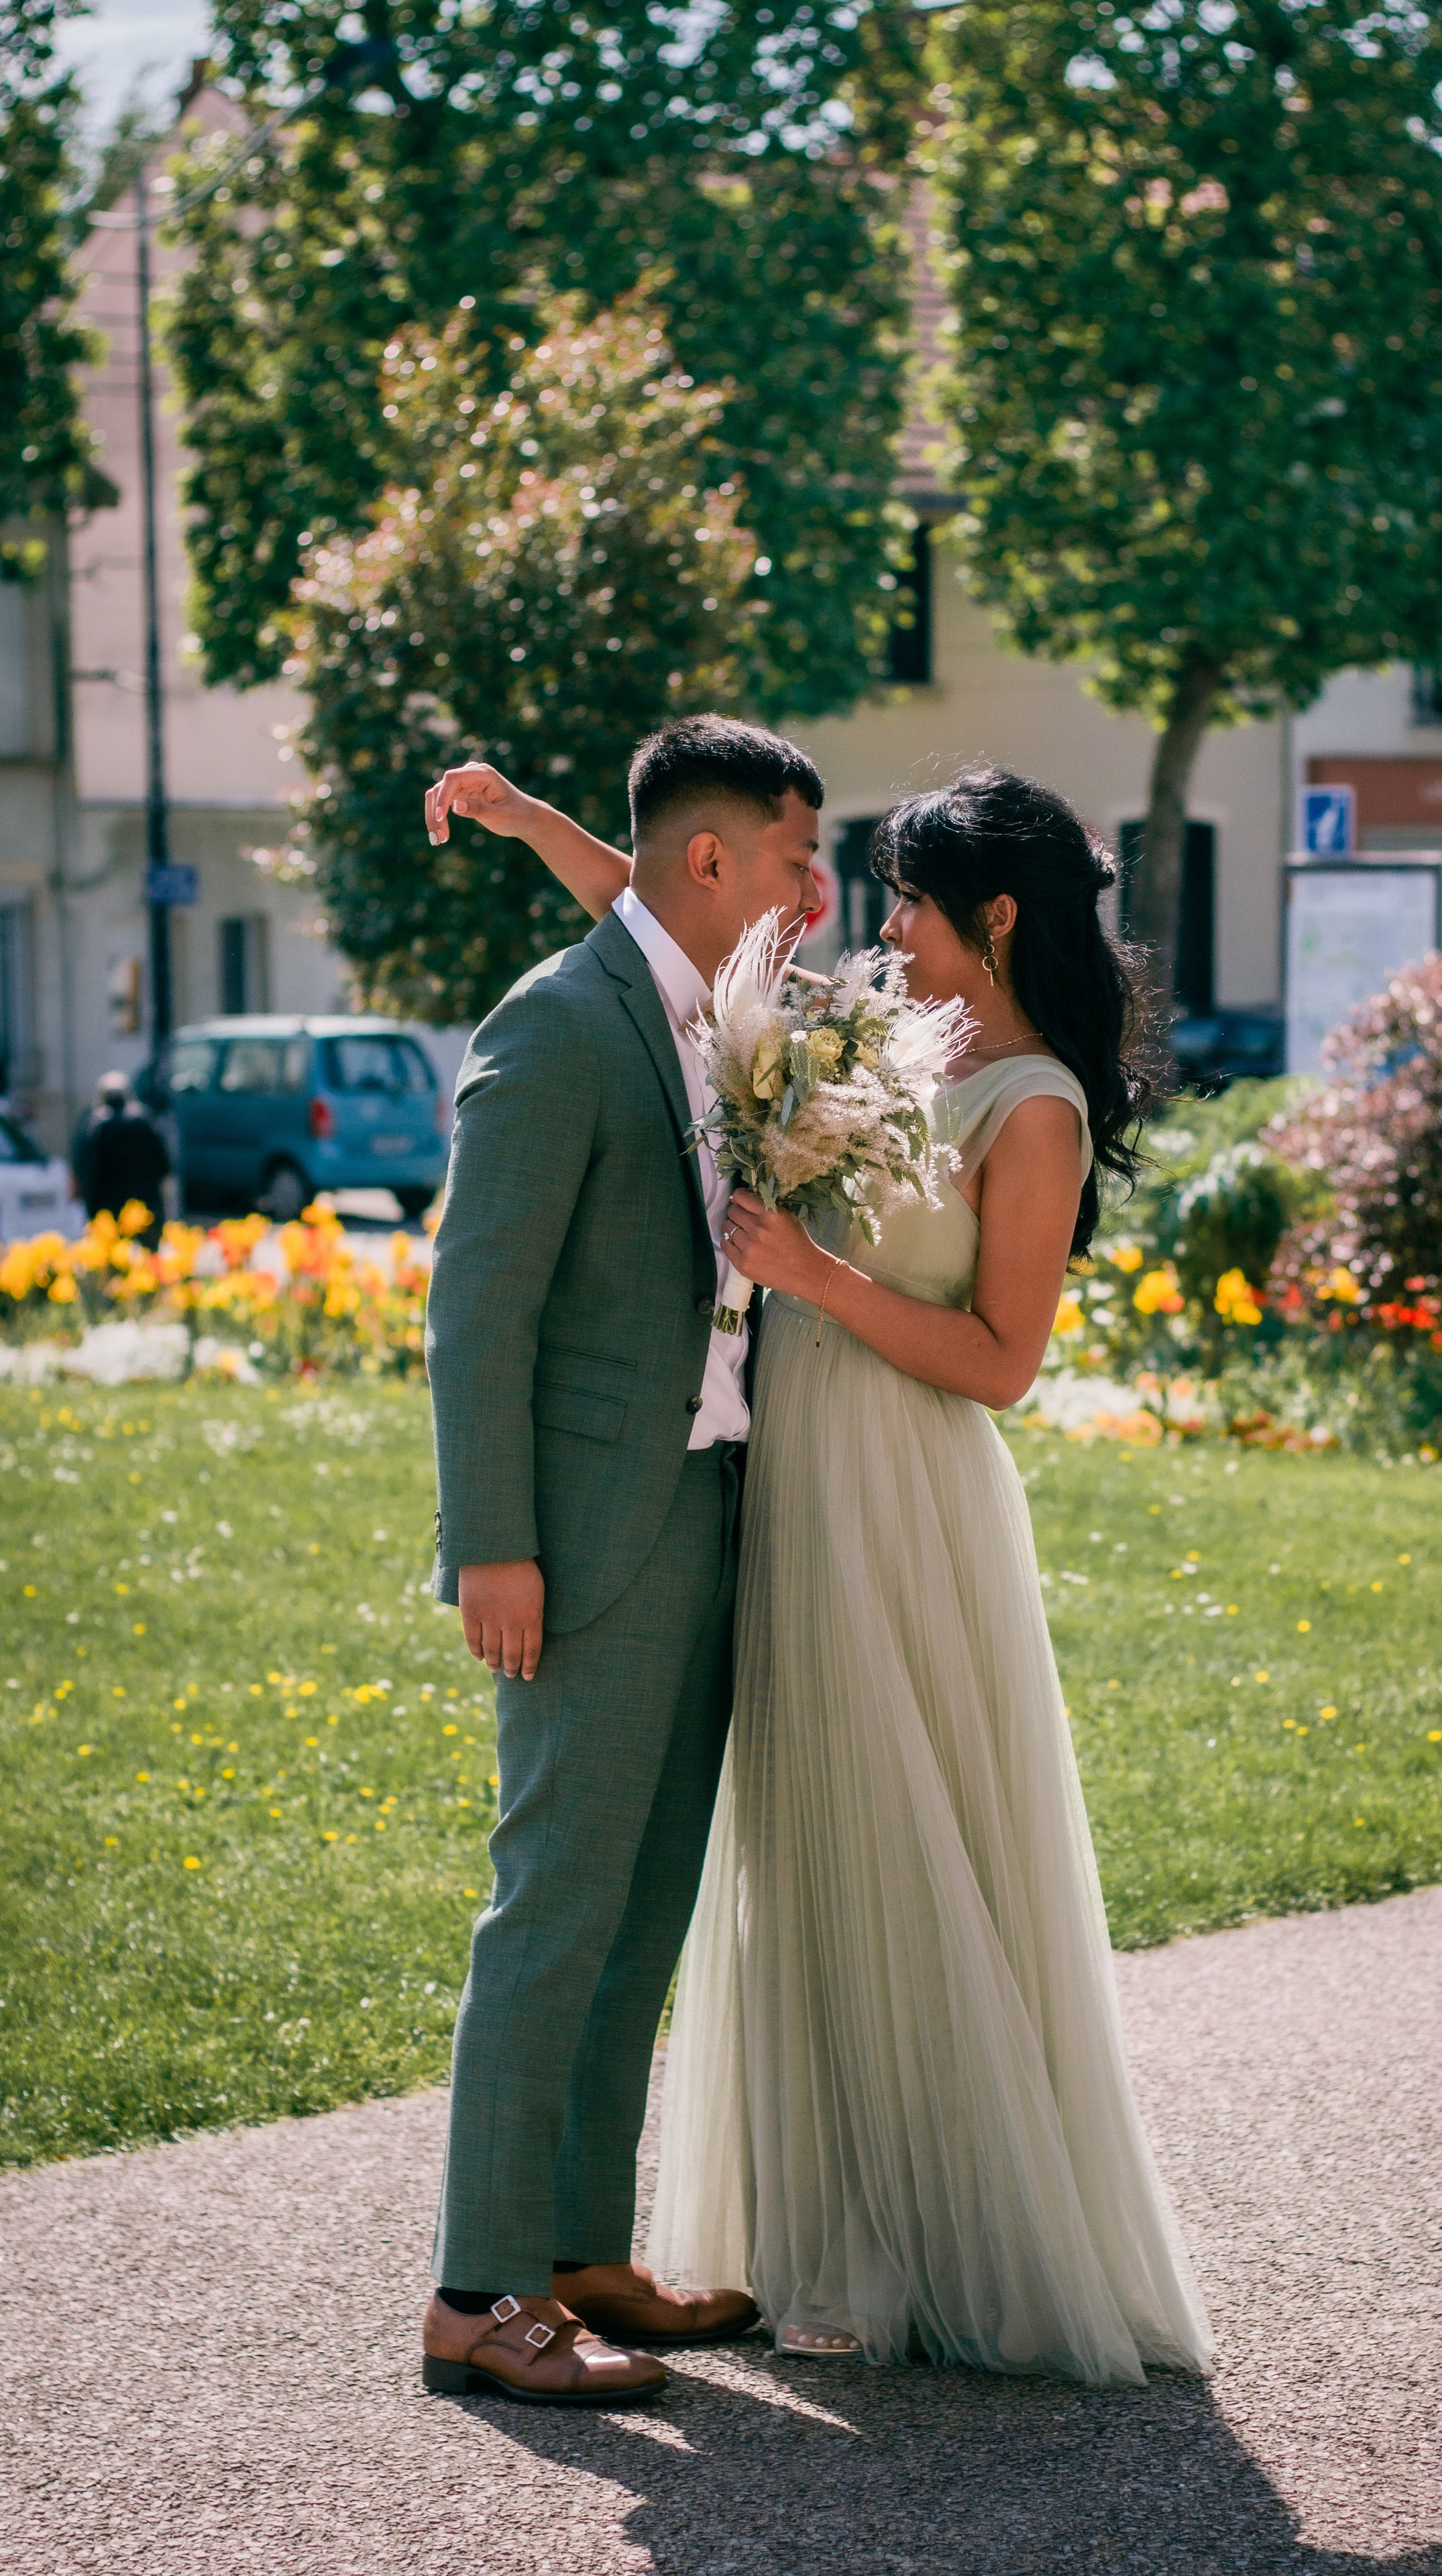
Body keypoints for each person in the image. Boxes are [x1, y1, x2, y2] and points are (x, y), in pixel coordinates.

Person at [454, 751, 1212, 2385]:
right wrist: (530, 825)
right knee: (797, 1867)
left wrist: (803, 1268)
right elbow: (671, 920)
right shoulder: (882, 1031)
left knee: (906, 1844)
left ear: (991, 915)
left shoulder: (1034, 1101)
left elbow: (1003, 1357)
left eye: (905, 902)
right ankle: (753, 2249)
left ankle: (943, 2239)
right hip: (773, 1492)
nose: (873, 927)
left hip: (902, 1501)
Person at [417, 715, 823, 2406]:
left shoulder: (705, 1008)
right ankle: (474, 2294)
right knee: (553, 1907)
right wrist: (488, 1547)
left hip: (707, 1512)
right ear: (714, 860)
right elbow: (475, 1305)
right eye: (800, 858)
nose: (819, 890)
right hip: (578, 1546)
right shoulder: (559, 1021)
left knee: (638, 1905)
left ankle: (580, 2249)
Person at [76, 1073, 171, 1245]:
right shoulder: (145, 1122)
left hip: (108, 1218)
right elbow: (164, 1166)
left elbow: (85, 1172)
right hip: (145, 1214)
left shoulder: (95, 1126)